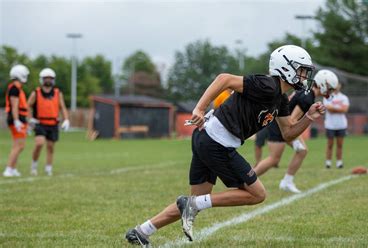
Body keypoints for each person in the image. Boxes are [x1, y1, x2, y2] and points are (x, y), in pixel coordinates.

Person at [125, 45, 326, 246]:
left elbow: (288, 132)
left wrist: (309, 117)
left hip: (208, 139)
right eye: (301, 70)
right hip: (216, 142)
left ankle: (142, 231)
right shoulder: (268, 85)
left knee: (198, 199)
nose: (304, 76)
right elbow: (224, 79)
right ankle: (191, 205)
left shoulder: (280, 98)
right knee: (257, 194)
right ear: (286, 68)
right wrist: (199, 108)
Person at [253, 69, 339, 193]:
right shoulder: (307, 97)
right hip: (280, 125)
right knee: (274, 159)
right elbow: (292, 121)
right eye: (330, 88)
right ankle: (248, 181)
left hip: (280, 122)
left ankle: (286, 182)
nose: (330, 92)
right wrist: (296, 135)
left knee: (300, 151)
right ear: (323, 84)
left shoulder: (307, 92)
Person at [27, 68, 70, 176]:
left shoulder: (57, 93)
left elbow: (63, 107)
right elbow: (27, 106)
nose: (48, 80)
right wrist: (29, 118)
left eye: (50, 78)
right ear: (42, 79)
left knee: (50, 147)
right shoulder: (36, 92)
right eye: (46, 78)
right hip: (40, 123)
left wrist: (66, 119)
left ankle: (48, 168)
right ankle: (34, 166)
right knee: (39, 144)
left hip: (53, 124)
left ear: (53, 80)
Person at [3, 64, 30, 177]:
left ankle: (13, 168)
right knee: (18, 145)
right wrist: (16, 120)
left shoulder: (17, 89)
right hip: (16, 120)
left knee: (20, 145)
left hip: (20, 119)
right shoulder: (14, 89)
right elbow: (14, 106)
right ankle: (8, 169)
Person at [323, 82, 349, 169]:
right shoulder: (327, 97)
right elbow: (329, 109)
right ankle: (328, 162)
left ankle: (339, 162)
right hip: (330, 125)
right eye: (335, 84)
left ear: (340, 86)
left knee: (340, 144)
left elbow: (345, 109)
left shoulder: (344, 97)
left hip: (341, 125)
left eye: (338, 84)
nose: (337, 86)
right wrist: (339, 108)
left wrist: (334, 108)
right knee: (330, 144)